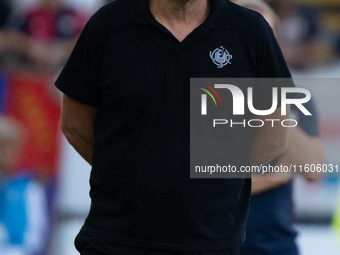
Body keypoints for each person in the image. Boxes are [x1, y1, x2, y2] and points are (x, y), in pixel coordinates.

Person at [55, 0, 293, 254]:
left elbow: (275, 134)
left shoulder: (250, 30)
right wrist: (125, 174)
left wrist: (215, 184)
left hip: (211, 240)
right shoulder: (108, 24)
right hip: (115, 237)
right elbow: (74, 124)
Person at [232, 1, 325, 254]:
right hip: (216, 242)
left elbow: (314, 168)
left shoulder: (295, 97)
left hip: (272, 242)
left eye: (265, 36)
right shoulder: (207, 96)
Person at [0, 115, 49, 255]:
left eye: (8, 147)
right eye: (0, 146)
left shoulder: (30, 188)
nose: (3, 153)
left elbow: (35, 236)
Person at [0, 0, 86, 71]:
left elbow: (90, 41)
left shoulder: (75, 16)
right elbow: (5, 37)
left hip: (64, 75)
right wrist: (28, 46)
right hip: (29, 76)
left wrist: (64, 48)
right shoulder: (28, 14)